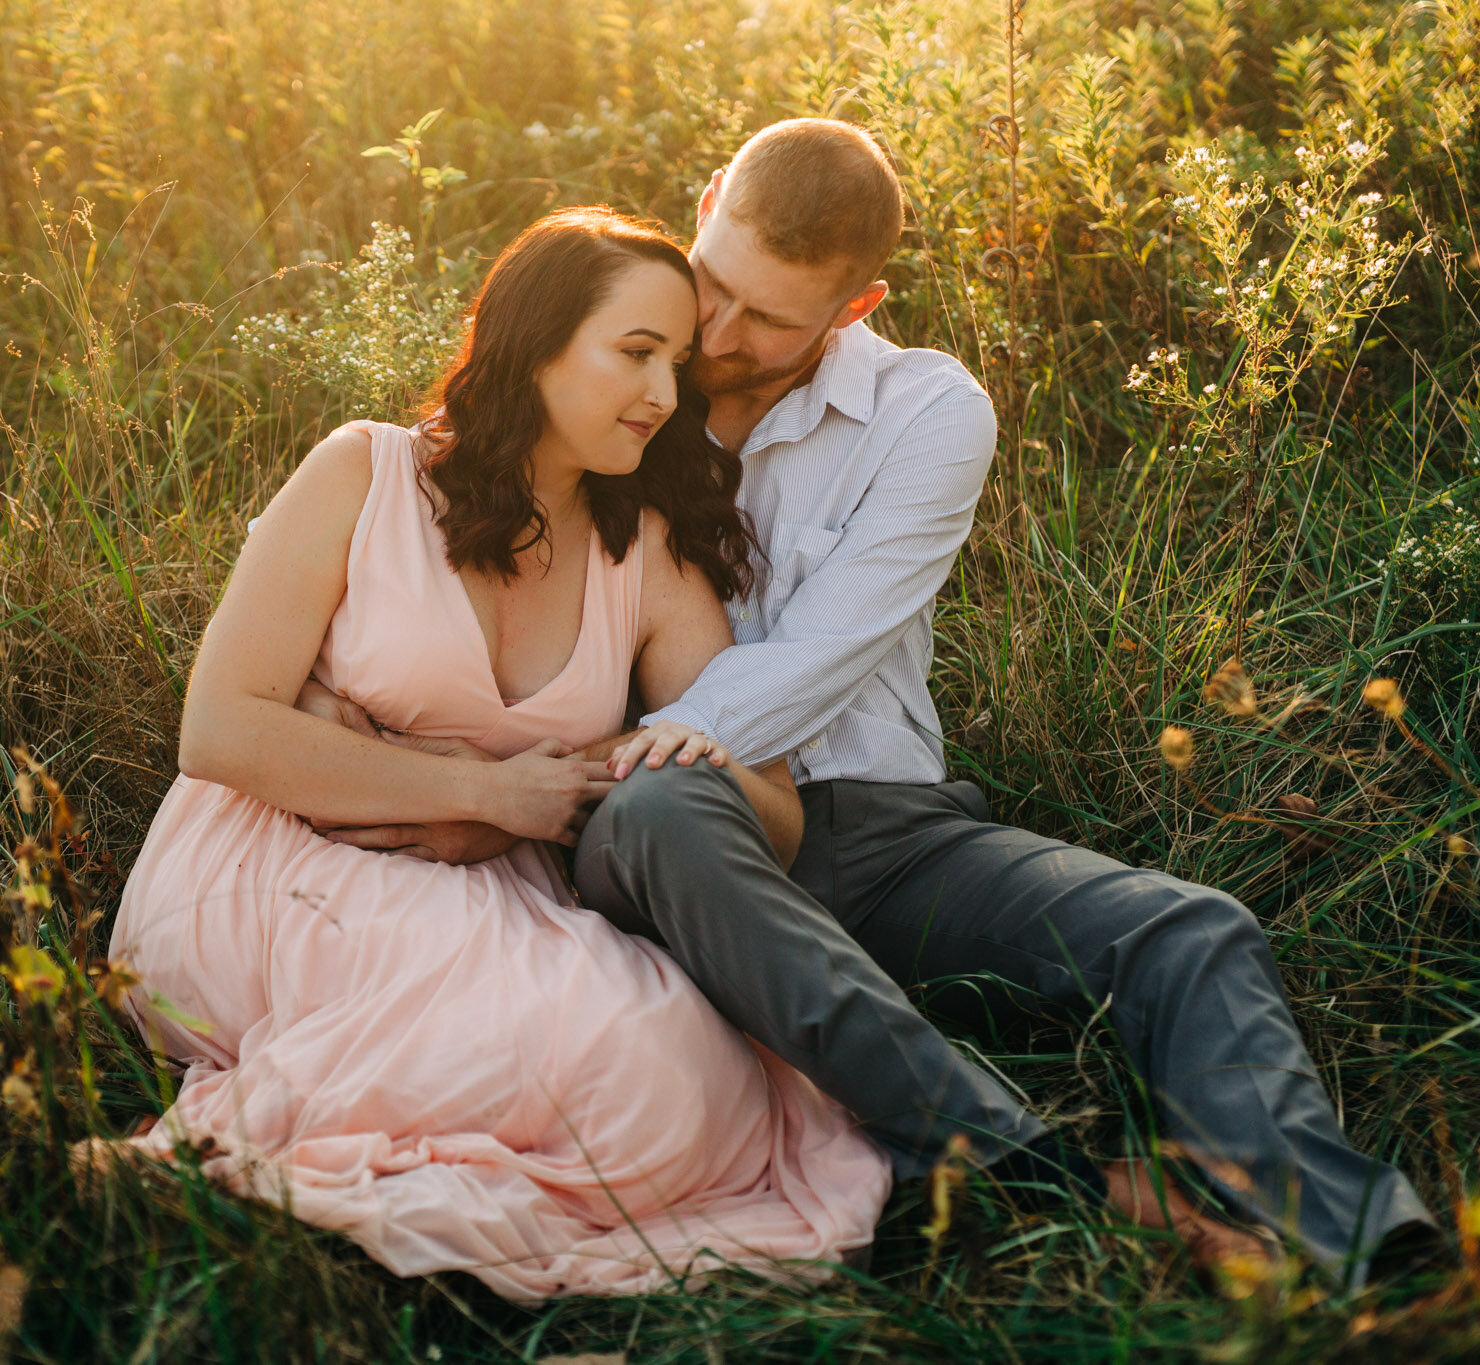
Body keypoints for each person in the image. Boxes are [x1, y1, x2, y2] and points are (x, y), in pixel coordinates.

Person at [311, 119, 1451, 1291]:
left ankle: (1354, 1241)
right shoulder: (625, 372)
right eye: (714, 286)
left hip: (877, 828)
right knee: (668, 811)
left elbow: (820, 652)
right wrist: (497, 786)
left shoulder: (925, 413)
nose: (720, 336)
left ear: (855, 308)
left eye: (773, 320)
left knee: (1186, 929)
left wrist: (528, 796)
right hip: (659, 832)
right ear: (705, 205)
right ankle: (1016, 1165)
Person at [95, 207, 892, 1300]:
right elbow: (222, 728)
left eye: (675, 363)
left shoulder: (642, 553)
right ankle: (232, 1170)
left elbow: (769, 799)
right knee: (583, 1048)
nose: (665, 397)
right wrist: (473, 787)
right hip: (279, 862)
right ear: (535, 342)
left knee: (681, 1069)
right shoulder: (362, 476)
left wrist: (546, 800)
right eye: (634, 353)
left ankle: (373, 1196)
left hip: (495, 882)